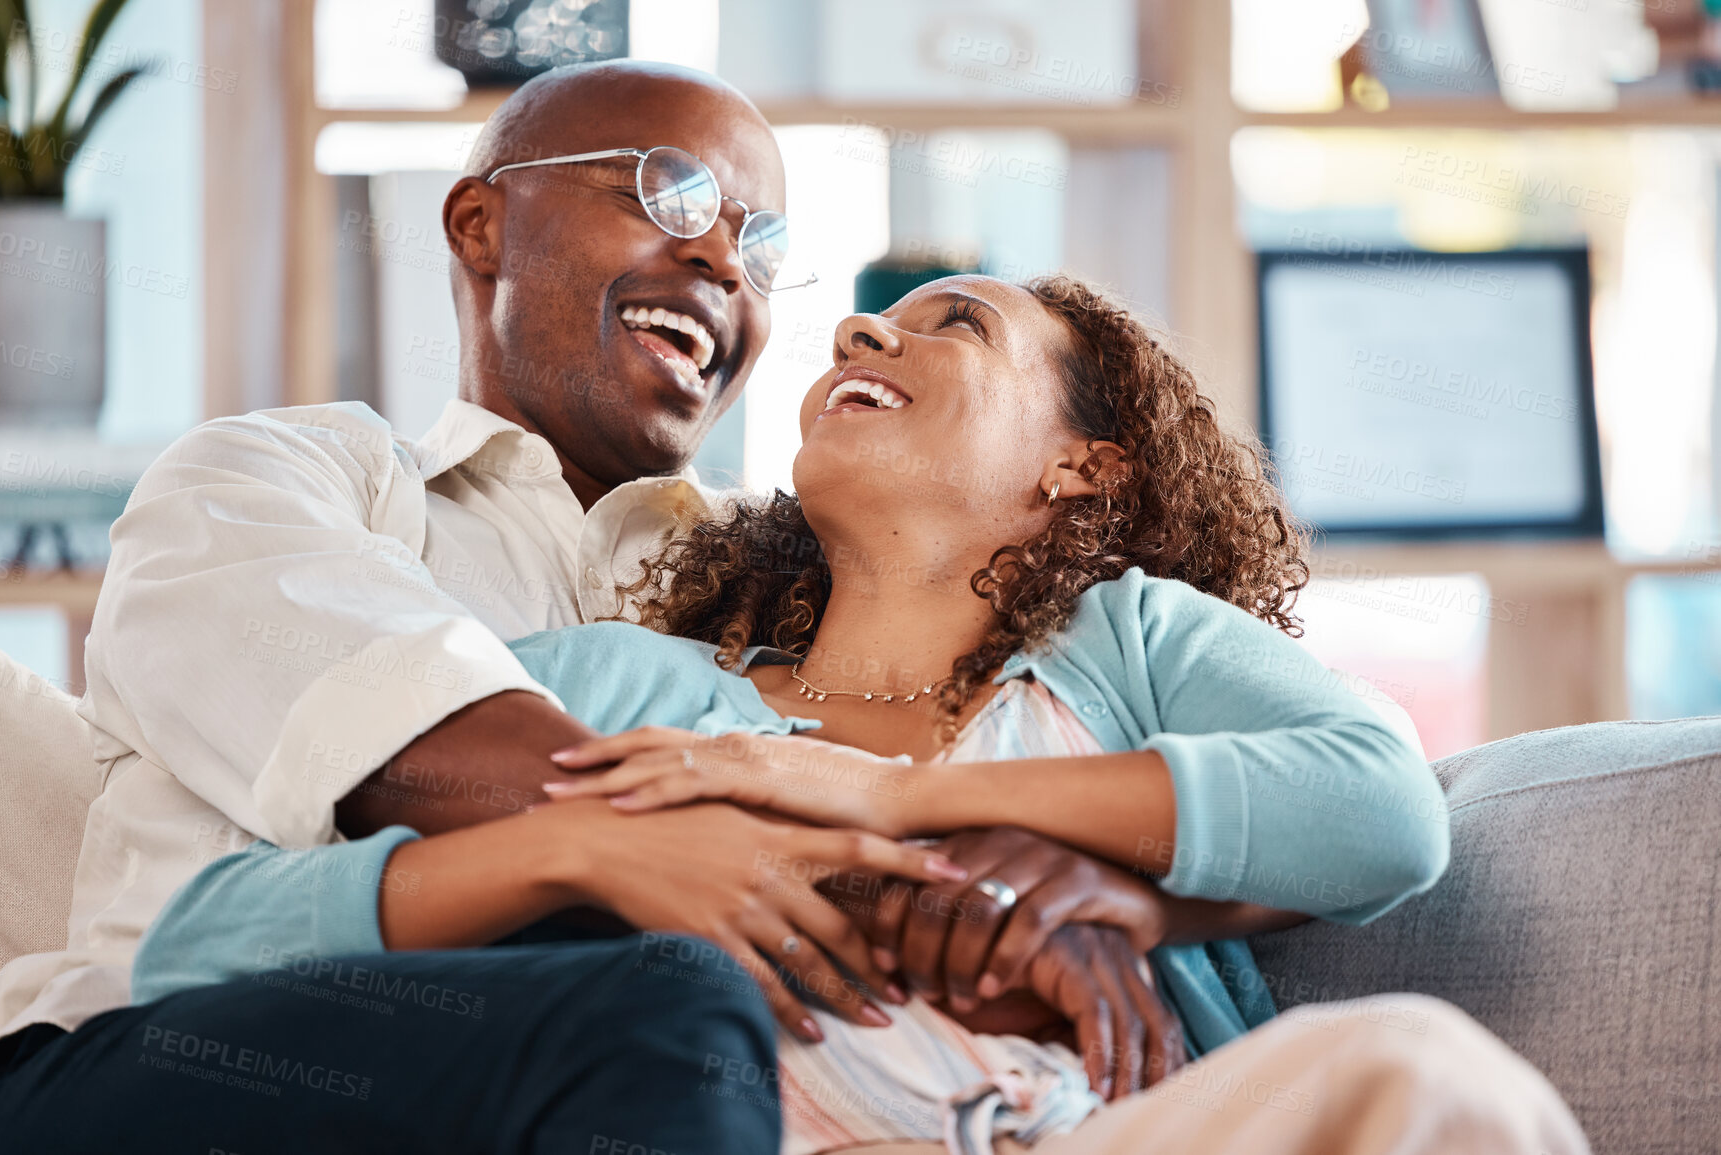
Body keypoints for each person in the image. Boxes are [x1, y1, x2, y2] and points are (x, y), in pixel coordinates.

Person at [123, 275, 1590, 1155]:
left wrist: (901, 806)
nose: (856, 324)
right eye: (875, 313)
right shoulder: (626, 688)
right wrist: (573, 855)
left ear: (1080, 467)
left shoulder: (1128, 643)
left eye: (951, 324)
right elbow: (201, 938)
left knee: (1419, 1068)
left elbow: (1379, 807)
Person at [0, 59, 875, 1153]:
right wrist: (856, 876)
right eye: (670, 192)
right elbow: (429, 751)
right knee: (664, 1005)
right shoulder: (285, 475)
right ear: (479, 226)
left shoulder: (786, 582)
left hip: (594, 1078)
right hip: (154, 1063)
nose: (722, 258)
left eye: (762, 243)